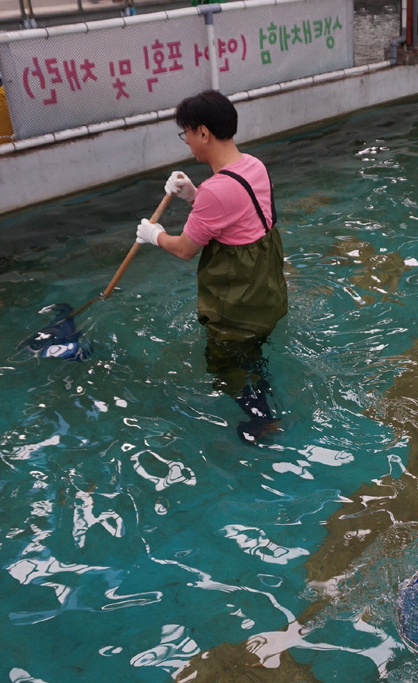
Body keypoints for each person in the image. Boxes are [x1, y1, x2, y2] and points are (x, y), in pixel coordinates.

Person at [135, 90, 287, 441]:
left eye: (186, 132)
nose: (186, 141)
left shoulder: (215, 192)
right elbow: (235, 213)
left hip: (238, 301)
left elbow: (186, 249)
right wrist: (193, 193)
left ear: (203, 133)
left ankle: (264, 422)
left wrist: (153, 234)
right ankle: (261, 389)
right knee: (251, 351)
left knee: (223, 364)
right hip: (267, 290)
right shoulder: (253, 166)